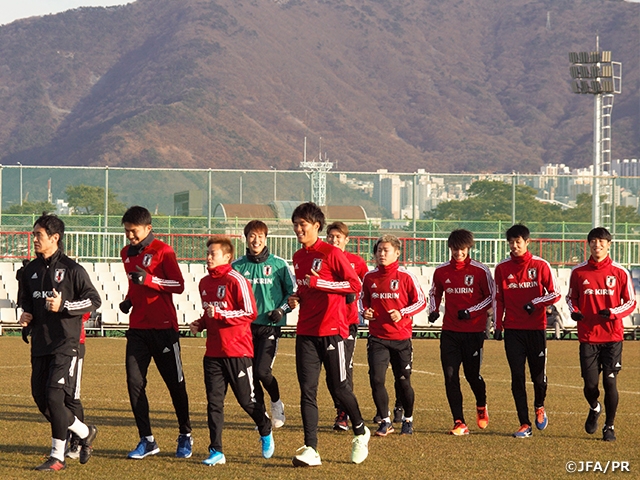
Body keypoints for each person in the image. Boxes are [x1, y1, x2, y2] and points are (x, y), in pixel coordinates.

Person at [288, 202, 370, 467]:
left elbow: (354, 285)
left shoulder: (332, 253)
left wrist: (319, 283)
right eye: (295, 224)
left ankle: (360, 431)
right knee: (307, 391)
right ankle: (311, 449)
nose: (298, 229)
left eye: (303, 224)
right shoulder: (298, 256)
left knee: (339, 388)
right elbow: (305, 287)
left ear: (316, 226)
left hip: (333, 331)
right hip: (305, 332)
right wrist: (296, 296)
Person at [18, 213, 101, 471]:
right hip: (41, 343)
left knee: (55, 397)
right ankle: (85, 432)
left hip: (66, 343)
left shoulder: (73, 269)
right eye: (33, 235)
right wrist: (26, 316)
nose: (34, 239)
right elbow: (26, 302)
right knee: (40, 398)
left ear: (55, 238)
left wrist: (63, 305)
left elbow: (93, 301)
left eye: (39, 235)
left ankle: (58, 456)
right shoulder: (29, 271)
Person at [190, 236, 274, 465]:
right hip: (213, 355)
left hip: (238, 352)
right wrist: (201, 323)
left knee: (247, 401)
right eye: (207, 253)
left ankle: (264, 427)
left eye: (212, 253)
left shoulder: (236, 280)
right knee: (214, 403)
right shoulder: (204, 283)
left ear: (226, 257)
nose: (208, 257)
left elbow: (249, 313)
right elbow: (211, 314)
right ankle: (216, 450)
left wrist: (219, 315)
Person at [119, 206, 192, 459]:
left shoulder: (163, 251)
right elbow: (134, 284)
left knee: (175, 385)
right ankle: (147, 440)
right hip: (137, 329)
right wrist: (129, 300)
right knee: (134, 383)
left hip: (163, 329)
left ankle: (185, 434)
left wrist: (149, 281)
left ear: (148, 228)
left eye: (134, 231)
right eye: (126, 231)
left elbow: (179, 285)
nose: (129, 236)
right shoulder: (125, 253)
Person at [566, 227, 636, 442]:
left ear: (609, 244)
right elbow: (571, 298)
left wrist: (613, 312)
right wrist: (575, 312)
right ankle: (595, 407)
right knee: (590, 385)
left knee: (610, 381)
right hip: (588, 337)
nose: (597, 245)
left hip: (612, 338)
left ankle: (609, 427)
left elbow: (631, 302)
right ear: (588, 244)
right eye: (593, 241)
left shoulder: (620, 272)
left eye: (602, 241)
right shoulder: (578, 272)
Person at [493, 224, 560, 438]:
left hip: (536, 329)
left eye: (518, 242)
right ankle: (524, 423)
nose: (514, 246)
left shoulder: (540, 265)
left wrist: (536, 302)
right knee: (517, 377)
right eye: (511, 242)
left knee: (538, 378)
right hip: (513, 330)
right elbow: (499, 299)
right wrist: (497, 325)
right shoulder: (502, 268)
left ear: (527, 242)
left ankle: (539, 405)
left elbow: (555, 293)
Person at [428, 229, 494, 435]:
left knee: (472, 375)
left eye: (462, 249)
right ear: (450, 248)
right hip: (450, 332)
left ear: (469, 248)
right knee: (450, 376)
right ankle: (459, 422)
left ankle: (481, 405)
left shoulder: (480, 271)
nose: (459, 253)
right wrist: (433, 310)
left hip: (474, 332)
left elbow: (491, 297)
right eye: (455, 249)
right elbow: (434, 292)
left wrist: (472, 311)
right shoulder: (441, 271)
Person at [232, 220, 295, 429]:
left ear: (266, 238)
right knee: (250, 374)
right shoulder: (237, 266)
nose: (256, 240)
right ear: (246, 238)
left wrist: (281, 310)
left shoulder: (278, 264)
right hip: (244, 328)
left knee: (262, 371)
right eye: (252, 235)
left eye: (260, 236)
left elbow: (292, 294)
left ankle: (276, 403)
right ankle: (261, 414)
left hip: (269, 326)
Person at [362, 235, 426, 437]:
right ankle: (385, 420)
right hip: (377, 338)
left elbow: (421, 302)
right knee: (376, 379)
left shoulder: (406, 277)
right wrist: (365, 312)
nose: (381, 254)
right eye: (379, 250)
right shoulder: (369, 278)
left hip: (401, 338)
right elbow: (362, 301)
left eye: (386, 250)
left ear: (397, 253)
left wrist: (403, 313)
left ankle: (408, 419)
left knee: (403, 381)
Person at [325, 221, 369, 431]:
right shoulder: (322, 259)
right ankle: (340, 409)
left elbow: (366, 286)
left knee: (345, 369)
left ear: (346, 240)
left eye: (338, 237)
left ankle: (344, 414)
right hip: (326, 323)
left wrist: (364, 306)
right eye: (331, 236)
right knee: (330, 372)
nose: (334, 240)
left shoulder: (356, 262)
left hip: (349, 323)